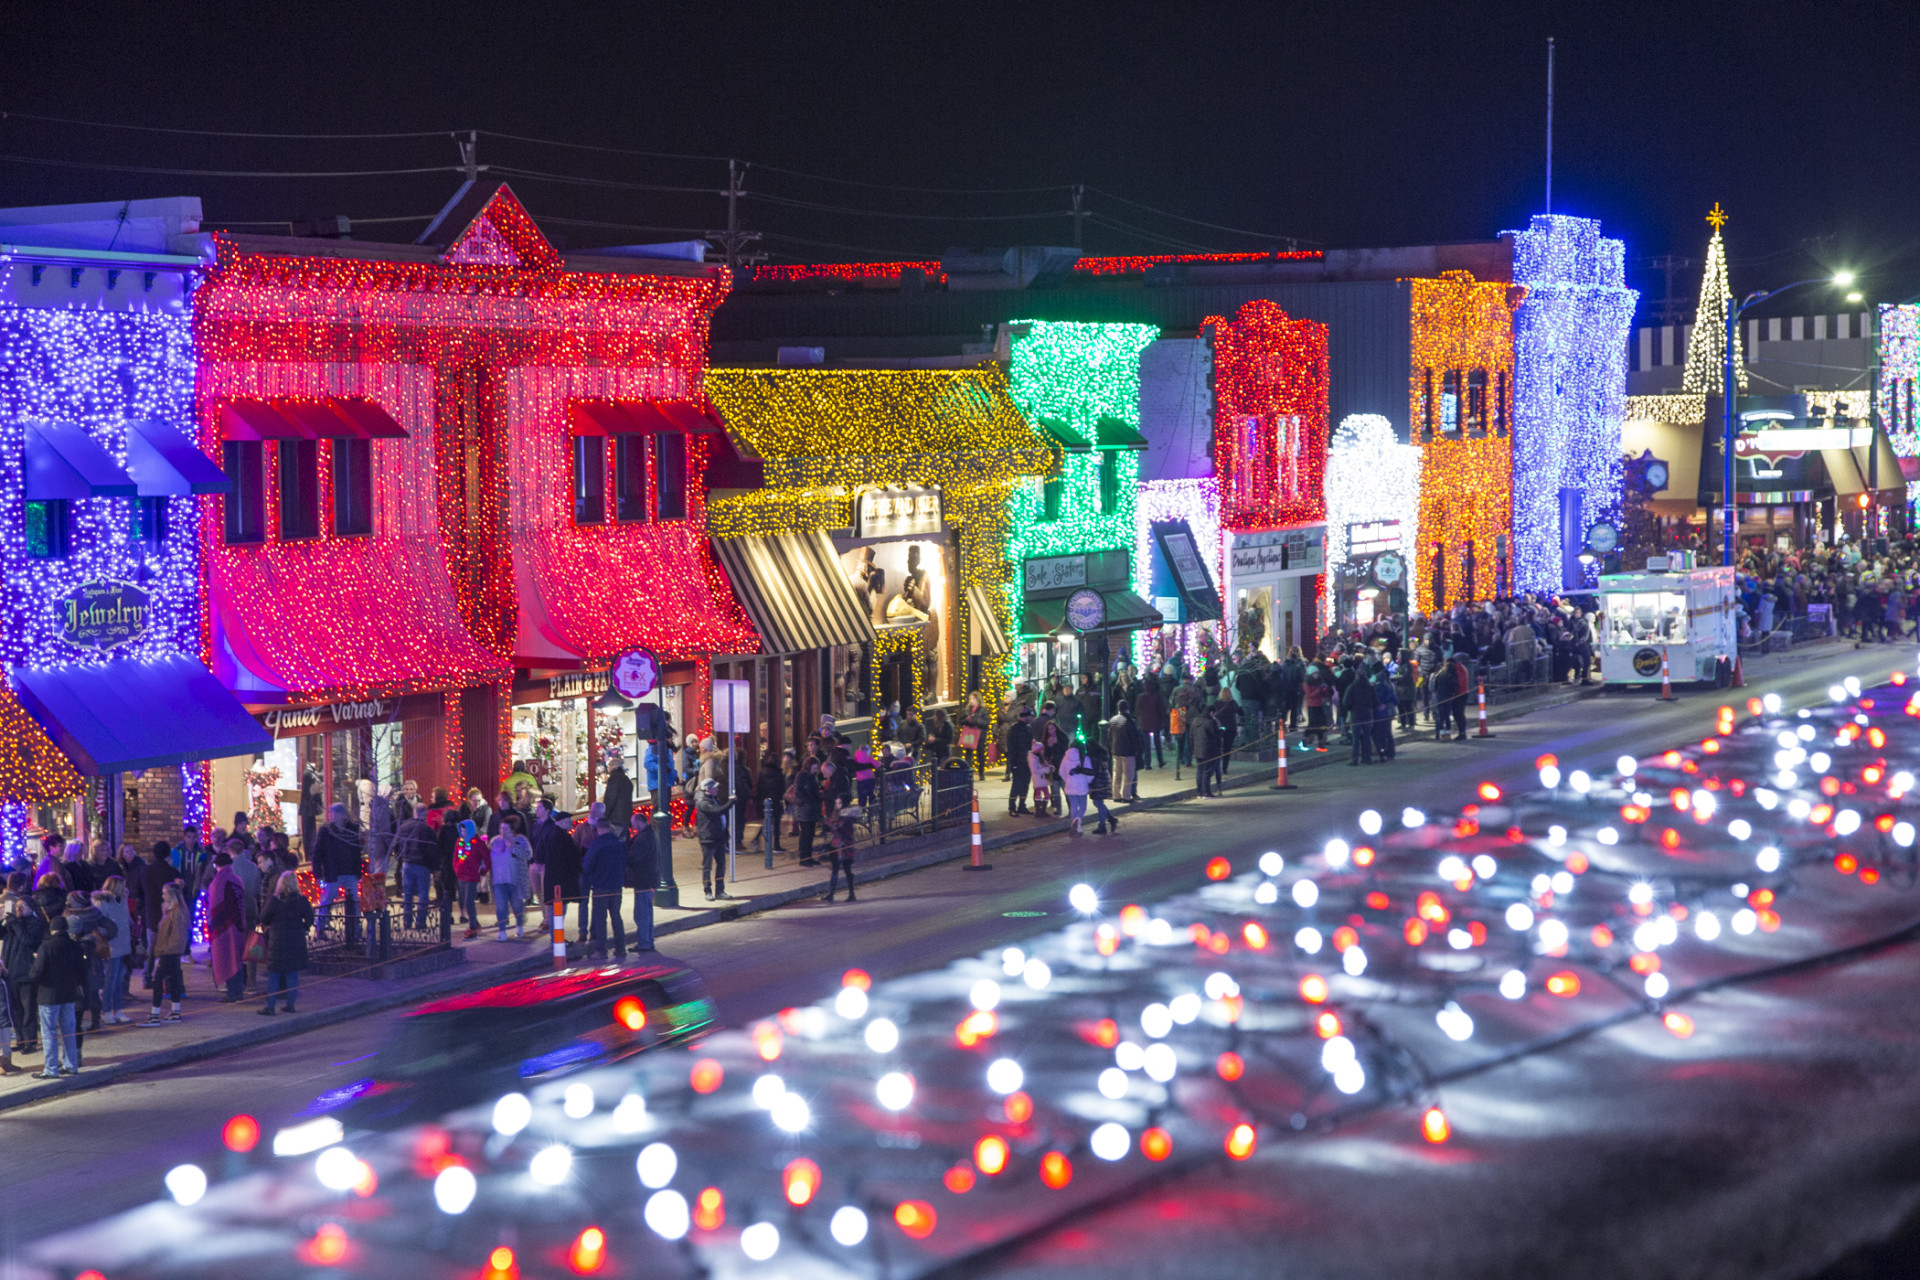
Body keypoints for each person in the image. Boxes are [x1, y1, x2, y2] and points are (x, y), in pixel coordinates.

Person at [28, 916, 86, 1078]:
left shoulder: (46, 947)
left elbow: (36, 973)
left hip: (49, 996)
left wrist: (34, 963)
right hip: (68, 995)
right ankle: (71, 1065)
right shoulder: (75, 947)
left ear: (53, 930)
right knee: (68, 1031)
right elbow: (82, 972)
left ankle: (51, 1069)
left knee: (49, 1032)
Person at [257, 872, 314, 1015]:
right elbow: (310, 918)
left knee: (274, 974)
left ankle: (270, 1006)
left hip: (278, 941)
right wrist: (304, 927)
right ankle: (291, 1004)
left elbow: (263, 917)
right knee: (292, 974)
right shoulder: (301, 901)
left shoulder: (274, 901)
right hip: (296, 941)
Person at [311, 804, 366, 944]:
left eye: (335, 813)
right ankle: (321, 926)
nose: (333, 816)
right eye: (332, 814)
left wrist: (358, 872)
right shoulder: (326, 830)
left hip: (349, 870)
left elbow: (356, 851)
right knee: (328, 899)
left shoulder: (352, 828)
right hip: (333, 871)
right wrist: (318, 873)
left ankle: (356, 928)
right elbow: (317, 852)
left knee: (354, 900)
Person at [581, 818, 630, 959]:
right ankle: (620, 949)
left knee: (600, 919)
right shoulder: (620, 844)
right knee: (616, 916)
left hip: (600, 886)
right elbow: (626, 862)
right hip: (616, 885)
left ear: (598, 828)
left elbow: (587, 865)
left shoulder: (596, 844)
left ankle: (601, 950)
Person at [142, 881, 189, 1024]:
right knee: (173, 981)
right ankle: (175, 1012)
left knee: (157, 982)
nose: (162, 896)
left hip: (169, 952)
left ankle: (154, 1014)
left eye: (164, 893)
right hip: (170, 951)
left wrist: (162, 952)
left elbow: (176, 937)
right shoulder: (171, 912)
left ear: (171, 895)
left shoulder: (177, 914)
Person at [93, 879, 133, 1025]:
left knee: (119, 978)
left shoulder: (121, 900)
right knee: (111, 979)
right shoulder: (102, 902)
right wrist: (108, 933)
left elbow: (126, 920)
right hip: (111, 945)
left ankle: (117, 1009)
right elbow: (99, 923)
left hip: (122, 944)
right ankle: (107, 1010)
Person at [490, 813, 532, 941]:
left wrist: (513, 847)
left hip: (515, 880)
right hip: (498, 880)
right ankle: (502, 931)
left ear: (512, 830)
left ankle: (519, 926)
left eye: (506, 829)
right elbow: (487, 857)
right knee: (501, 907)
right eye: (501, 828)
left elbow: (528, 855)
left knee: (517, 905)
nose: (503, 832)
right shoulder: (495, 841)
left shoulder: (520, 840)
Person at [395, 804, 437, 930]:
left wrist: (402, 858)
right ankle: (421, 922)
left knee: (407, 894)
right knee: (423, 894)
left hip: (407, 863)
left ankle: (407, 922)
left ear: (414, 812)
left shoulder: (404, 827)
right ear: (425, 813)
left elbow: (397, 845)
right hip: (422, 865)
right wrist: (434, 867)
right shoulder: (427, 830)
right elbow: (431, 850)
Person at [625, 819, 660, 952]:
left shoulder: (644, 838)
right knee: (646, 912)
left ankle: (644, 942)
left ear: (639, 823)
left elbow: (633, 857)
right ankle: (648, 941)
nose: (633, 828)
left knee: (641, 913)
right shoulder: (650, 835)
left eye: (634, 825)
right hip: (649, 880)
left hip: (644, 881)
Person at [452, 819, 489, 940]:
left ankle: (472, 926)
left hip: (472, 877)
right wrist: (456, 869)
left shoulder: (478, 843)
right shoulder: (459, 841)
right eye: (461, 831)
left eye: (465, 831)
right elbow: (456, 857)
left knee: (469, 902)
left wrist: (483, 871)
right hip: (461, 875)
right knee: (464, 901)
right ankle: (475, 923)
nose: (463, 833)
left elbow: (487, 858)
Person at [695, 778, 730, 902]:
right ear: (707, 789)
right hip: (708, 838)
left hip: (718, 837)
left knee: (721, 864)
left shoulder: (715, 799)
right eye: (714, 787)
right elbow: (717, 811)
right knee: (707, 866)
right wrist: (731, 802)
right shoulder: (703, 802)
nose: (717, 789)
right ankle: (708, 891)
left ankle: (720, 890)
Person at [822, 791, 859, 904]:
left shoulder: (847, 815)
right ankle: (831, 894)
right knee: (835, 869)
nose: (837, 805)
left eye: (839, 803)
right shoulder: (836, 813)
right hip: (836, 844)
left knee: (847, 870)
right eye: (836, 803)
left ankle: (852, 894)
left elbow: (839, 826)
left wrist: (829, 823)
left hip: (845, 845)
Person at [1059, 735, 1095, 836]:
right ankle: (1078, 821)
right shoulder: (1085, 758)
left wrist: (1067, 780)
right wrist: (1088, 782)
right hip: (1082, 786)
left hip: (1070, 786)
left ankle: (1074, 827)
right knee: (1083, 807)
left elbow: (1061, 771)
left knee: (1073, 807)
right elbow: (1089, 773)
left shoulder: (1066, 758)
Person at [754, 749, 787, 854]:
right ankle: (776, 845)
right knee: (775, 823)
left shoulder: (762, 772)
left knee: (767, 821)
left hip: (765, 800)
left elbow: (759, 787)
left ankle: (756, 838)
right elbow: (782, 788)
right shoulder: (779, 773)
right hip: (775, 800)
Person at [1006, 705, 1036, 817]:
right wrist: (1013, 763)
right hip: (1018, 761)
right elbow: (1012, 747)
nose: (1032, 718)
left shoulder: (1027, 727)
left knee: (1025, 784)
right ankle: (1012, 806)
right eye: (1031, 716)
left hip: (1026, 760)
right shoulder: (1015, 729)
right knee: (1017, 784)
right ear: (1026, 716)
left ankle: (1021, 805)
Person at [793, 760, 824, 866]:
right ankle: (804, 858)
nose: (815, 770)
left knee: (810, 834)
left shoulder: (814, 776)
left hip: (812, 808)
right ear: (809, 766)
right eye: (814, 768)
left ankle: (809, 857)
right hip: (804, 809)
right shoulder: (801, 775)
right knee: (805, 834)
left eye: (816, 768)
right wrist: (809, 799)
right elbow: (798, 792)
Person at [1107, 701, 1139, 802]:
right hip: (1128, 752)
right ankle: (1126, 796)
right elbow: (1135, 738)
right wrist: (1136, 750)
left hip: (1116, 751)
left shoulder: (1112, 720)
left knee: (1117, 774)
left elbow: (1109, 737)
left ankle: (1116, 795)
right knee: (1128, 775)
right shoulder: (1129, 721)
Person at [1345, 668, 1377, 766]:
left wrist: (1351, 708)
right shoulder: (1369, 687)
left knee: (1356, 738)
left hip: (1356, 714)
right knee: (1366, 737)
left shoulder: (1352, 687)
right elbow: (1376, 701)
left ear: (1357, 676)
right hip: (1367, 714)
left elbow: (1345, 701)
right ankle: (1367, 758)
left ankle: (1355, 759)